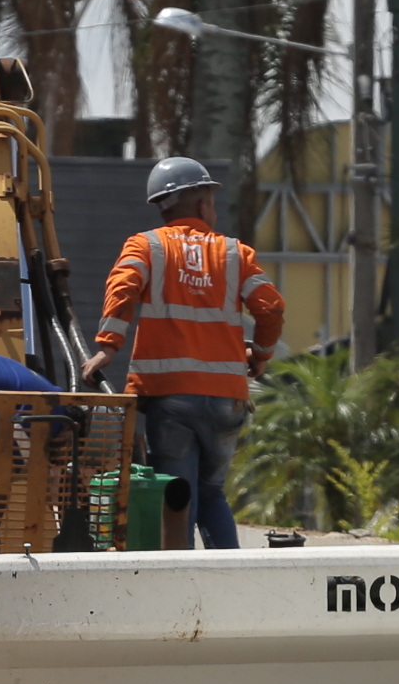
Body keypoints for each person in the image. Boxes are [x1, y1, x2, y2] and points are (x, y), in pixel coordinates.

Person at [91, 154, 285, 551]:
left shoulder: (146, 246)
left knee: (177, 499)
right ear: (201, 205)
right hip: (228, 398)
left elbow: (123, 288)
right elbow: (272, 308)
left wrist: (108, 347)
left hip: (172, 398)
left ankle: (180, 593)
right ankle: (228, 588)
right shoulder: (235, 254)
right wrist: (261, 354)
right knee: (212, 493)